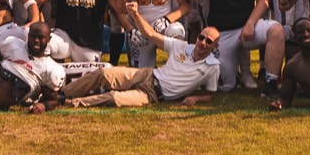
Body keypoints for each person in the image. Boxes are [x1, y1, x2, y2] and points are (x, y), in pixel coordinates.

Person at [49, 15, 221, 108]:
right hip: (146, 75)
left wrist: (197, 99)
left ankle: (67, 103)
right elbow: (152, 35)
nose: (203, 43)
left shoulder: (212, 67)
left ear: (215, 47)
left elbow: (211, 94)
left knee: (114, 98)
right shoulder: (181, 46)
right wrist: (136, 15)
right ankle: (61, 93)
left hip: (153, 95)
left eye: (209, 41)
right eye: (201, 37)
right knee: (104, 74)